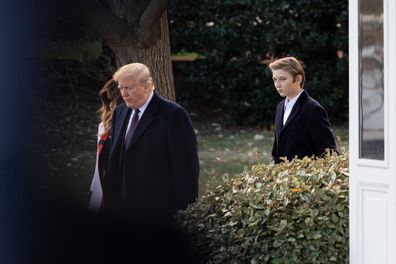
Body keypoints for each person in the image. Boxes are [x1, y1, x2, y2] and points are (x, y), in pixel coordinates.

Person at [105, 62, 199, 224]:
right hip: (123, 210)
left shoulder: (174, 115)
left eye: (129, 88)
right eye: (121, 88)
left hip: (160, 212)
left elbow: (186, 170)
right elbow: (116, 160)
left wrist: (185, 216)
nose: (124, 94)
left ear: (147, 87)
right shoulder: (120, 112)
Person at [268, 56, 337, 164]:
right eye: (275, 79)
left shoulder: (312, 109)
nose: (277, 84)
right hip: (282, 178)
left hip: (303, 178)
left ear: (298, 79)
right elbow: (277, 149)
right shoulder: (280, 107)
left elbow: (329, 153)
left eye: (283, 79)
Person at [88, 78, 123, 212]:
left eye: (114, 100)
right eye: (108, 100)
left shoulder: (131, 128)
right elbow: (99, 165)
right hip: (102, 190)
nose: (111, 105)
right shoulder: (103, 127)